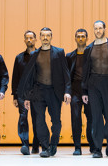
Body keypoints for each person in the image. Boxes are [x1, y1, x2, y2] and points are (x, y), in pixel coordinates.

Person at [18, 27, 72, 158]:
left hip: (54, 92)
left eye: (48, 35)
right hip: (38, 92)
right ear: (40, 38)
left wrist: (67, 91)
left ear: (51, 37)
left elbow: (66, 73)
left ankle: (53, 143)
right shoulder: (34, 54)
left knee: (56, 122)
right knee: (39, 120)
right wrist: (26, 97)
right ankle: (45, 146)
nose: (45, 38)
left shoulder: (59, 52)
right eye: (43, 36)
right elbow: (29, 77)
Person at [81, 20, 108, 158]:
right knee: (96, 118)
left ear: (105, 29)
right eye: (96, 28)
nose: (98, 30)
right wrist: (84, 91)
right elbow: (85, 71)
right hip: (93, 84)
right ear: (93, 30)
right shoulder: (88, 48)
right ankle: (98, 149)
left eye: (100, 28)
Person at [67, 29, 94, 155]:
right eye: (78, 36)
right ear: (75, 39)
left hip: (89, 89)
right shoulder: (70, 56)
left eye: (83, 36)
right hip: (75, 90)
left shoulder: (92, 55)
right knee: (76, 118)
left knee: (91, 118)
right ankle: (77, 147)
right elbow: (66, 76)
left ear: (87, 38)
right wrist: (67, 92)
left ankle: (92, 145)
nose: (81, 38)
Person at [12, 31, 39, 155]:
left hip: (38, 92)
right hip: (22, 93)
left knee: (37, 118)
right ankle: (25, 144)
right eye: (27, 38)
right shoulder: (19, 58)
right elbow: (15, 77)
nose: (29, 40)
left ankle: (36, 145)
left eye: (31, 38)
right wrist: (15, 96)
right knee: (23, 118)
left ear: (35, 40)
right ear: (24, 40)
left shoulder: (40, 55)